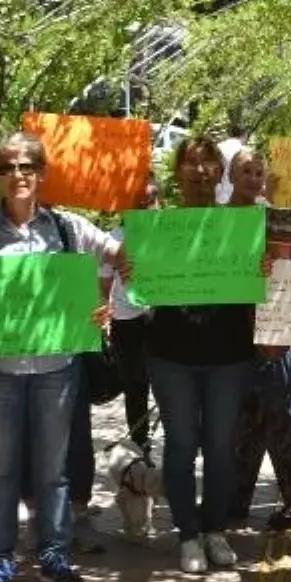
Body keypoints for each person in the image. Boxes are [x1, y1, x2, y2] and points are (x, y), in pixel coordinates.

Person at [0, 131, 128, 582]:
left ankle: (54, 556)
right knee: (2, 468)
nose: (17, 175)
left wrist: (107, 302)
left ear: (42, 173)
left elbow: (128, 258)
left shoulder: (68, 228)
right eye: (6, 168)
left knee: (54, 469)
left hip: (57, 367)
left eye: (26, 167)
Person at [145, 137, 256, 573]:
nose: (199, 170)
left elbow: (256, 287)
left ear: (220, 172)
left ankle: (215, 529)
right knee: (182, 443)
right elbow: (137, 298)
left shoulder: (239, 225)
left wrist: (259, 268)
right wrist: (135, 270)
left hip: (229, 353)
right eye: (189, 163)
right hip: (171, 352)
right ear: (178, 173)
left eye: (208, 162)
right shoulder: (159, 226)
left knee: (220, 446)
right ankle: (187, 534)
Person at [227, 149, 291, 531]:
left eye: (258, 172)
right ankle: (234, 501)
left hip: (277, 329)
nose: (252, 177)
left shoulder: (275, 219)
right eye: (245, 170)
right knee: (241, 423)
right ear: (231, 176)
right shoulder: (216, 220)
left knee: (287, 418)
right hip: (233, 337)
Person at [101, 179, 160, 450]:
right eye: (140, 202)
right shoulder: (114, 239)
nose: (147, 206)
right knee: (135, 386)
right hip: (127, 322)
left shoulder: (172, 236)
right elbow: (103, 283)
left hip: (164, 319)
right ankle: (140, 445)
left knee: (168, 383)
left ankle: (179, 447)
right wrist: (102, 318)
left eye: (152, 199)